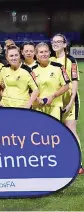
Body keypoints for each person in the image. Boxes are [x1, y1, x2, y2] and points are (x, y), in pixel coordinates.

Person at [50, 34, 83, 174]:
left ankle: (78, 163)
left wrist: (71, 101)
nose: (56, 44)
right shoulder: (50, 59)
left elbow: (74, 81)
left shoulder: (70, 60)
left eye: (59, 41)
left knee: (71, 130)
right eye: (54, 41)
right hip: (55, 101)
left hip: (70, 99)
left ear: (65, 44)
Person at [32, 42, 70, 121]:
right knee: (38, 131)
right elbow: (29, 88)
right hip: (37, 107)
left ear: (49, 53)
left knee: (54, 131)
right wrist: (37, 99)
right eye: (41, 52)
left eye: (46, 51)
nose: (44, 54)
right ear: (36, 55)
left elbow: (66, 86)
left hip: (55, 106)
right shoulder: (32, 70)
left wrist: (53, 96)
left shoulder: (59, 67)